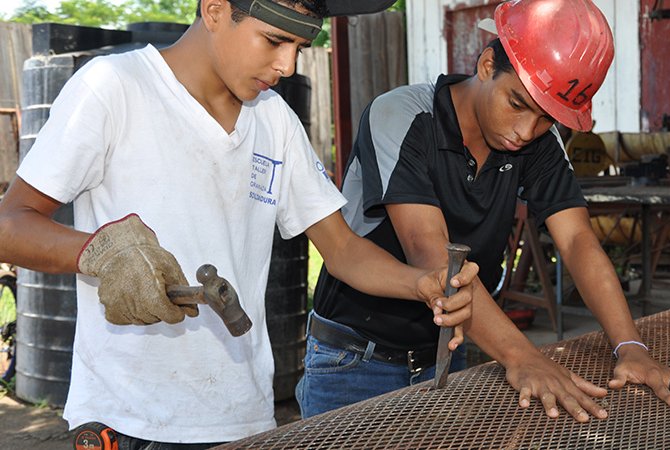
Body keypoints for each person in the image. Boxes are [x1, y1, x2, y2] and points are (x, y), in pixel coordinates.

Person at [0, 0, 479, 448]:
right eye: (274, 41)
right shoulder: (114, 87)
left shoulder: (274, 120)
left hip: (243, 416)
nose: (288, 66)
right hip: (131, 419)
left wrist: (421, 283)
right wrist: (98, 252)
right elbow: (10, 222)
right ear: (215, 10)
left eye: (299, 48)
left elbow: (343, 249)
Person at [297, 0, 670, 422]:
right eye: (517, 103)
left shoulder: (538, 143)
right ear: (486, 65)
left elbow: (576, 240)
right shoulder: (402, 116)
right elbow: (431, 254)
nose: (525, 131)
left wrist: (631, 348)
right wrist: (522, 355)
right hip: (354, 361)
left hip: (446, 351)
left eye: (546, 119)